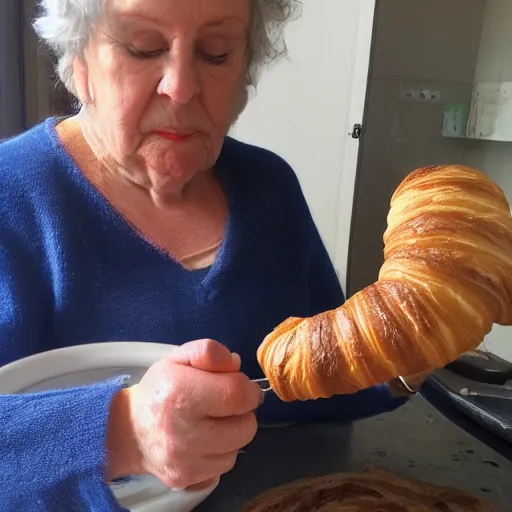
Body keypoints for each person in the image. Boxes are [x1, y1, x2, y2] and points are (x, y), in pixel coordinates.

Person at [0, 0, 420, 510]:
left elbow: (328, 385)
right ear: (80, 61)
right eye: (144, 47)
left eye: (216, 53)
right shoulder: (12, 197)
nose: (181, 86)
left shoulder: (271, 190)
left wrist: (411, 352)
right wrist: (122, 433)